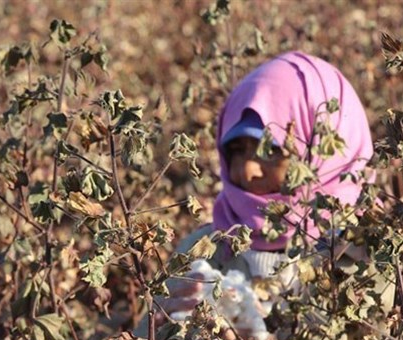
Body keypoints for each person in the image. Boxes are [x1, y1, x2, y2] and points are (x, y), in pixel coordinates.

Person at [159, 51, 375, 323]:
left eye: (269, 150)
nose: (247, 170)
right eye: (236, 150)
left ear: (327, 150)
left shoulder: (371, 256)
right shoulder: (203, 253)